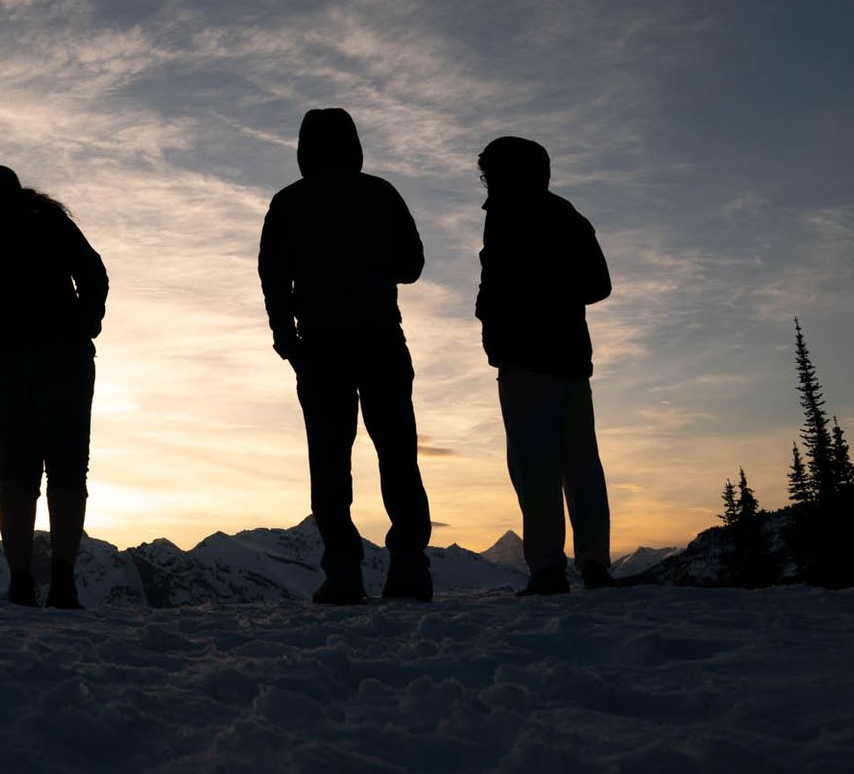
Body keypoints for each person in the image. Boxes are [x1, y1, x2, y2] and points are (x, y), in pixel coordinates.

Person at [259, 108, 433, 604]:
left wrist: (283, 334)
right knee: (397, 452)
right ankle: (409, 568)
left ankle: (343, 574)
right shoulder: (380, 193)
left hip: (318, 344)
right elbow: (412, 266)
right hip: (380, 337)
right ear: (354, 145)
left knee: (330, 460)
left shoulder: (288, 202)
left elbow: (273, 277)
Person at [0, 165, 108, 609]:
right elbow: (95, 274)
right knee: (69, 468)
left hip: (2, 369)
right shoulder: (51, 224)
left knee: (16, 470)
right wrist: (84, 323)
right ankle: (64, 580)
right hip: (65, 359)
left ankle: (21, 581)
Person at [474, 135, 614, 596]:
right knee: (581, 465)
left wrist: (507, 312)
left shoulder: (507, 216)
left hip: (528, 362)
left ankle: (549, 571)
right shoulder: (566, 215)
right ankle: (594, 567)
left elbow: (496, 286)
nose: (486, 183)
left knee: (536, 468)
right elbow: (597, 284)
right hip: (571, 359)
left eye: (490, 173)